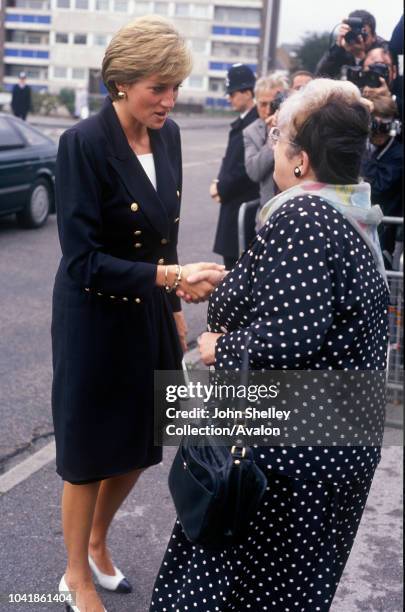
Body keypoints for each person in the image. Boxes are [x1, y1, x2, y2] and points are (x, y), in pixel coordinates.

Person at [151, 79, 389, 611]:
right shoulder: (350, 213)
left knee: (237, 593)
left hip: (288, 465)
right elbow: (312, 310)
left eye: (279, 136)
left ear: (301, 160)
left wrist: (220, 348)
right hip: (329, 453)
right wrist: (237, 280)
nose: (273, 144)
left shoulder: (304, 216)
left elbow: (292, 338)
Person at [52, 16, 223, 612]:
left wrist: (175, 307)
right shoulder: (83, 144)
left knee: (146, 440)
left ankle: (98, 543)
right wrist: (172, 277)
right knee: (88, 450)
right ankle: (74, 574)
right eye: (158, 86)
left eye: (175, 86)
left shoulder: (169, 136)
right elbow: (82, 262)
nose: (169, 100)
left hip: (149, 310)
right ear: (121, 82)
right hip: (93, 317)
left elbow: (162, 238)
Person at [211, 63, 260, 269]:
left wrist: (220, 187)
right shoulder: (244, 121)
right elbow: (230, 160)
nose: (229, 97)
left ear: (248, 92)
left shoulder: (254, 122)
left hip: (241, 207)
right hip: (234, 204)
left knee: (237, 274)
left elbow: (244, 169)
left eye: (233, 92)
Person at [361, 93, 403, 268]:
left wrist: (363, 158)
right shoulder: (366, 148)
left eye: (383, 125)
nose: (378, 132)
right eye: (375, 125)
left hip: (385, 230)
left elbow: (378, 187)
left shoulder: (398, 154)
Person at [243, 72, 289, 225]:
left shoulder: (299, 126)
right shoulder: (251, 131)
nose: (269, 109)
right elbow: (254, 172)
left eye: (274, 103)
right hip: (268, 215)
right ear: (256, 104)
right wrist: (274, 135)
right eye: (263, 104)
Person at [316, 9, 385, 79]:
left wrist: (360, 56)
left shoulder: (384, 50)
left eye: (363, 34)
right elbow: (320, 77)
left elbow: (378, 82)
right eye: (354, 32)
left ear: (374, 36)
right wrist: (337, 48)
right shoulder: (344, 45)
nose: (358, 37)